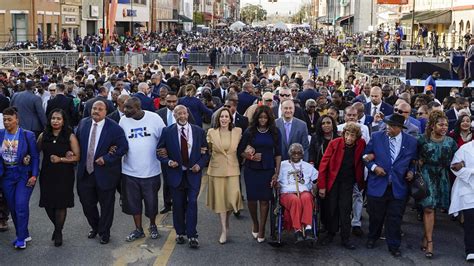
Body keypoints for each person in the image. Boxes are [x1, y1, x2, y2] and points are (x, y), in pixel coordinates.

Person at [363, 113, 418, 257]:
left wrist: (411, 172)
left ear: (400, 128)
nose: (388, 128)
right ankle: (372, 237)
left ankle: (394, 245)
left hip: (399, 186)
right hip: (378, 185)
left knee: (395, 217)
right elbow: (365, 157)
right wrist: (374, 167)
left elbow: (413, 161)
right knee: (375, 216)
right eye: (387, 125)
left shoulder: (411, 141)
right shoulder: (376, 137)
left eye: (392, 126)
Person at [76, 100, 128, 245]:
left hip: (106, 174)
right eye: (94, 108)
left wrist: (107, 158)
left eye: (100, 109)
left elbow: (123, 147)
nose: (96, 111)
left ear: (106, 111)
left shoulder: (114, 127)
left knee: (106, 206)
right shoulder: (83, 123)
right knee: (87, 203)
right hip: (85, 173)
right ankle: (95, 226)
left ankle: (104, 232)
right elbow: (76, 142)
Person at [157, 105, 209, 249]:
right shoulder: (167, 132)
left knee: (192, 202)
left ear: (188, 114)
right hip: (175, 174)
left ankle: (192, 235)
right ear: (174, 115)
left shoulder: (198, 131)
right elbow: (159, 151)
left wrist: (200, 164)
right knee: (178, 205)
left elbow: (205, 153)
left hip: (193, 174)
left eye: (184, 113)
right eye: (179, 113)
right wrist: (168, 161)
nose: (182, 116)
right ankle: (180, 232)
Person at [119, 97, 166, 242]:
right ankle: (138, 229)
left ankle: (152, 225)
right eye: (124, 107)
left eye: (128, 108)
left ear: (138, 108)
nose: (124, 110)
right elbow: (119, 140)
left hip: (151, 171)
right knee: (134, 204)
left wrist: (164, 151)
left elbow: (164, 138)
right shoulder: (123, 121)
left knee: (151, 203)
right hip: (129, 171)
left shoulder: (154, 118)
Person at [237, 105, 281, 243]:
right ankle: (255, 222)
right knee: (252, 199)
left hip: (268, 170)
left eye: (265, 117)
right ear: (257, 118)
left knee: (265, 199)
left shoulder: (275, 132)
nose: (263, 120)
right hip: (251, 170)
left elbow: (279, 154)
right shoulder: (250, 131)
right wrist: (250, 157)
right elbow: (240, 150)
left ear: (269, 118)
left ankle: (262, 228)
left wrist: (277, 173)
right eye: (260, 117)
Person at [318, 122, 366, 249]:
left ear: (357, 137)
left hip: (348, 182)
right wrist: (322, 186)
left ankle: (346, 238)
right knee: (331, 208)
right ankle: (331, 233)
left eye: (353, 136)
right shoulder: (335, 143)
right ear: (344, 134)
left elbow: (365, 157)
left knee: (345, 209)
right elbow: (323, 165)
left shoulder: (361, 144)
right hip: (333, 181)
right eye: (347, 134)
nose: (349, 138)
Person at [417, 110, 458, 258]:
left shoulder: (450, 142)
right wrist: (418, 163)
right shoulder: (422, 140)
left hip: (442, 175)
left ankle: (425, 234)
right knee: (428, 208)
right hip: (427, 174)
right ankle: (430, 242)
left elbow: (457, 159)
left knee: (435, 207)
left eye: (446, 125)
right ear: (432, 125)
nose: (444, 127)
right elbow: (414, 156)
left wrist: (458, 165)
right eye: (441, 124)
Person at [37, 109, 80, 247]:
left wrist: (61, 159)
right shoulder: (43, 135)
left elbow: (77, 157)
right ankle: (57, 227)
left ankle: (58, 232)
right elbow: (34, 151)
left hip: (64, 175)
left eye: (58, 119)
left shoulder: (70, 136)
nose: (55, 121)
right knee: (48, 204)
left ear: (63, 121)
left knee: (61, 204)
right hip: (47, 174)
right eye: (53, 118)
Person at [0, 107, 39, 249]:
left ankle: (21, 238)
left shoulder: (28, 135)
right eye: (4, 119)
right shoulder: (0, 134)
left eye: (9, 119)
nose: (6, 122)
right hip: (6, 175)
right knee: (12, 206)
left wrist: (34, 175)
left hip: (23, 174)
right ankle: (23, 233)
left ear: (17, 120)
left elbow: (34, 156)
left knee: (20, 205)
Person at [206, 108, 243, 244]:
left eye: (226, 116)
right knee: (221, 201)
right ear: (218, 118)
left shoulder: (237, 132)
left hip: (233, 169)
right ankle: (223, 229)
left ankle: (226, 221)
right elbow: (208, 149)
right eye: (222, 116)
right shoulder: (211, 132)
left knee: (233, 200)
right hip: (216, 171)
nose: (224, 119)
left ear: (230, 119)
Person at [277, 143, 318, 243]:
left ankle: (308, 228)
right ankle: (298, 230)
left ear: (302, 155)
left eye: (299, 153)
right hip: (287, 193)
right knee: (295, 200)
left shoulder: (308, 166)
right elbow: (276, 178)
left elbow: (316, 179)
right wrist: (276, 183)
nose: (296, 155)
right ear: (289, 154)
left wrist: (315, 187)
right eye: (293, 153)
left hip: (303, 191)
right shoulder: (282, 165)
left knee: (307, 198)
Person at [449, 140, 474, 262]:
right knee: (470, 220)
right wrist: (470, 172)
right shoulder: (465, 149)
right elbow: (454, 166)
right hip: (468, 188)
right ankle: (471, 250)